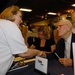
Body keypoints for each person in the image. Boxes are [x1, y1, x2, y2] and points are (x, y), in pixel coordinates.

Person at [0, 5, 42, 75]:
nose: (21, 20)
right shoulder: (11, 26)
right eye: (20, 16)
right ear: (12, 15)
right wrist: (37, 52)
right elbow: (24, 53)